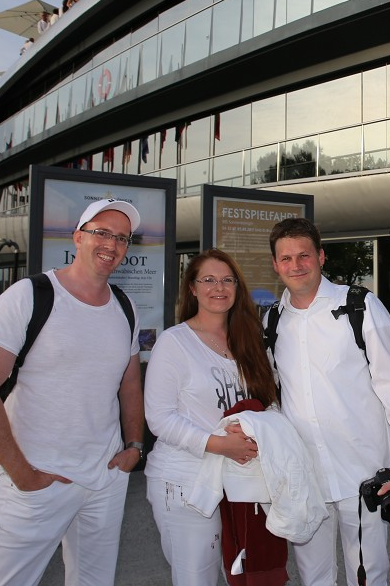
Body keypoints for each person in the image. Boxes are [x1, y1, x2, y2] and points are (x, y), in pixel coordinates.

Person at [0, 199, 145, 586]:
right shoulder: (29, 296)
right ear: (78, 237)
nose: (112, 244)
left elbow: (129, 383)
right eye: (102, 232)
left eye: (123, 238)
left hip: (105, 478)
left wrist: (133, 446)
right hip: (37, 479)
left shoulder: (125, 307)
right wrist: (21, 473)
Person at [267, 217, 390, 586]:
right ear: (275, 265)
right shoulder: (272, 321)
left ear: (321, 257)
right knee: (314, 578)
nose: (296, 265)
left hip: (363, 475)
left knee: (368, 577)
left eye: (304, 255)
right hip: (306, 477)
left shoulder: (359, 306)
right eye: (286, 258)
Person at [144, 249, 282, 586]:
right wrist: (219, 444)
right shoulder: (174, 342)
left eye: (226, 280)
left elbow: (272, 401)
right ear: (192, 288)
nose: (218, 287)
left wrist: (259, 434)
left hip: (243, 481)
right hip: (186, 483)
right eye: (208, 280)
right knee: (197, 578)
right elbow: (160, 418)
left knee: (244, 573)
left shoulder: (250, 340)